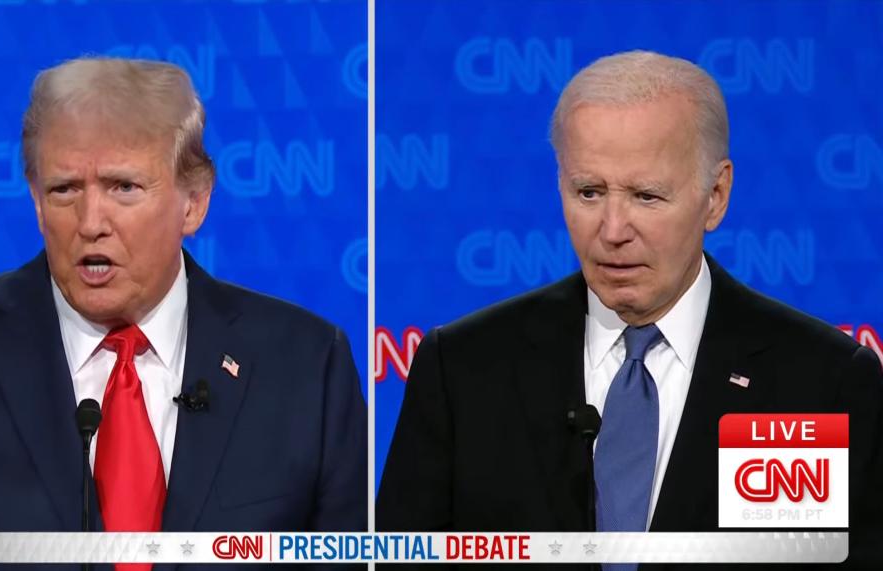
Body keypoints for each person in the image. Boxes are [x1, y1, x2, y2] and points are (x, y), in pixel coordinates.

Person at [376, 50, 882, 567]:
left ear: (716, 195)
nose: (613, 231)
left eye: (646, 196)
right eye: (589, 192)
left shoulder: (820, 385)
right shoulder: (463, 368)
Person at [0, 57, 367, 569]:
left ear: (193, 202)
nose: (91, 222)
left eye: (123, 187)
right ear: (36, 201)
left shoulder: (306, 366)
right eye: (65, 190)